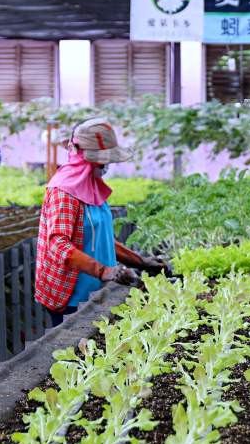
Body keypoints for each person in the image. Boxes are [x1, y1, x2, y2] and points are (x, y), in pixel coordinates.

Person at [35, 117, 165, 327]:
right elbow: (58, 244)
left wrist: (141, 262)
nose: (106, 166)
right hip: (73, 297)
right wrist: (104, 271)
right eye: (102, 161)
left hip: (98, 291)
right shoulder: (64, 190)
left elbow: (102, 240)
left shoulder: (91, 186)